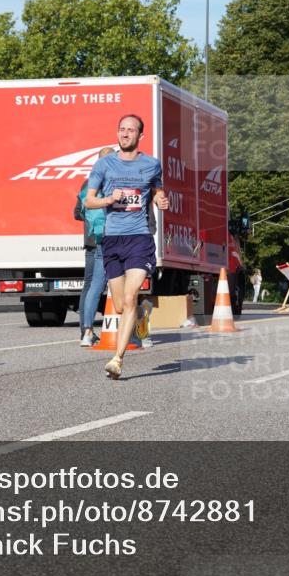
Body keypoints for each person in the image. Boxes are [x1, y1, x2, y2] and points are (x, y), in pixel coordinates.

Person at [84, 115, 169, 379]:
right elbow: (88, 201)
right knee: (121, 306)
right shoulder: (104, 164)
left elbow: (157, 191)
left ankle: (117, 359)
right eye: (122, 129)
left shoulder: (151, 165)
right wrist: (109, 198)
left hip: (139, 238)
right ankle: (142, 315)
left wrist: (161, 200)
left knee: (130, 297)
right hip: (112, 239)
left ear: (140, 136)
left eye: (131, 130)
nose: (125, 134)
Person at [76, 146, 113, 346]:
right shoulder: (113, 181)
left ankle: (86, 331)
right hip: (111, 238)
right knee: (113, 283)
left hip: (92, 240)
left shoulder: (87, 184)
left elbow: (77, 212)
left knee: (90, 286)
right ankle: (126, 331)